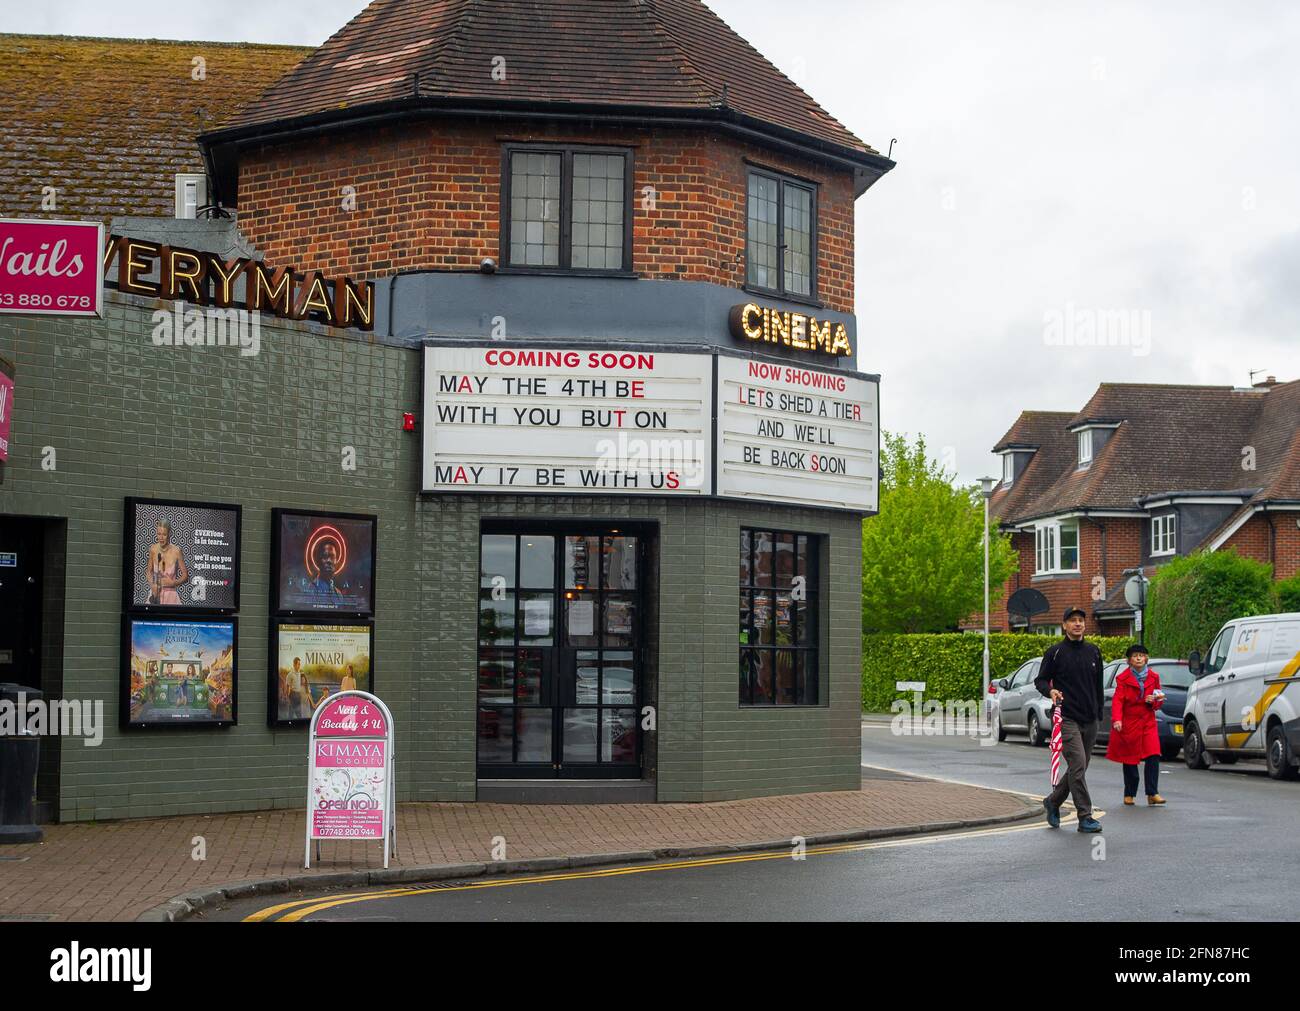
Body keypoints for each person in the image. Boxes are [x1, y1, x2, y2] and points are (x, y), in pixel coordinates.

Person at [1036, 606, 1106, 833]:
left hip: (1090, 718)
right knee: (1077, 764)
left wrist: (1099, 713)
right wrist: (1051, 692)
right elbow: (1041, 680)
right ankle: (1085, 816)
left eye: (1081, 621)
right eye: (1073, 620)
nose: (1078, 624)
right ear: (1064, 625)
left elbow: (1098, 686)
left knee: (1080, 767)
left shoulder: (1094, 651)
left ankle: (1053, 801)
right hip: (1067, 717)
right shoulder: (1055, 652)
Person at [1106, 643, 1167, 806]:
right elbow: (1118, 700)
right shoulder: (1123, 678)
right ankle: (1129, 793)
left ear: (1146, 658)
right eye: (1135, 656)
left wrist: (1153, 701)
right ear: (1129, 661)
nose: (1139, 658)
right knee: (1130, 759)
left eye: (1141, 655)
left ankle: (1152, 793)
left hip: (1148, 722)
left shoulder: (1154, 677)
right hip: (1130, 722)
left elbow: (1159, 698)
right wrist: (1117, 719)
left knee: (1153, 755)